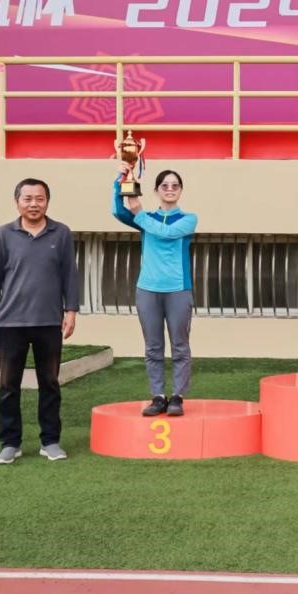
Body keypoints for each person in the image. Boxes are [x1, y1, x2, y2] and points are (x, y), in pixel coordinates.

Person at [0, 178, 80, 465]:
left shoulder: (61, 233)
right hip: (10, 323)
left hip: (49, 322)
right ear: (17, 202)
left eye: (39, 198)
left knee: (49, 383)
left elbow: (69, 275)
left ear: (47, 201)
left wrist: (71, 311)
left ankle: (50, 441)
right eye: (28, 199)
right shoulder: (4, 234)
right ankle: (10, 443)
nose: (34, 204)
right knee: (8, 386)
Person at [112, 169, 198, 417]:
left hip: (178, 289)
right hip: (147, 290)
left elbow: (166, 233)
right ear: (156, 190)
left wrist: (138, 212)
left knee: (180, 346)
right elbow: (118, 211)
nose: (170, 189)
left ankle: (178, 396)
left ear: (180, 190)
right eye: (164, 185)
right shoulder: (146, 218)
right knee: (153, 347)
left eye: (175, 185)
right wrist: (121, 181)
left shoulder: (188, 219)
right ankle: (158, 396)